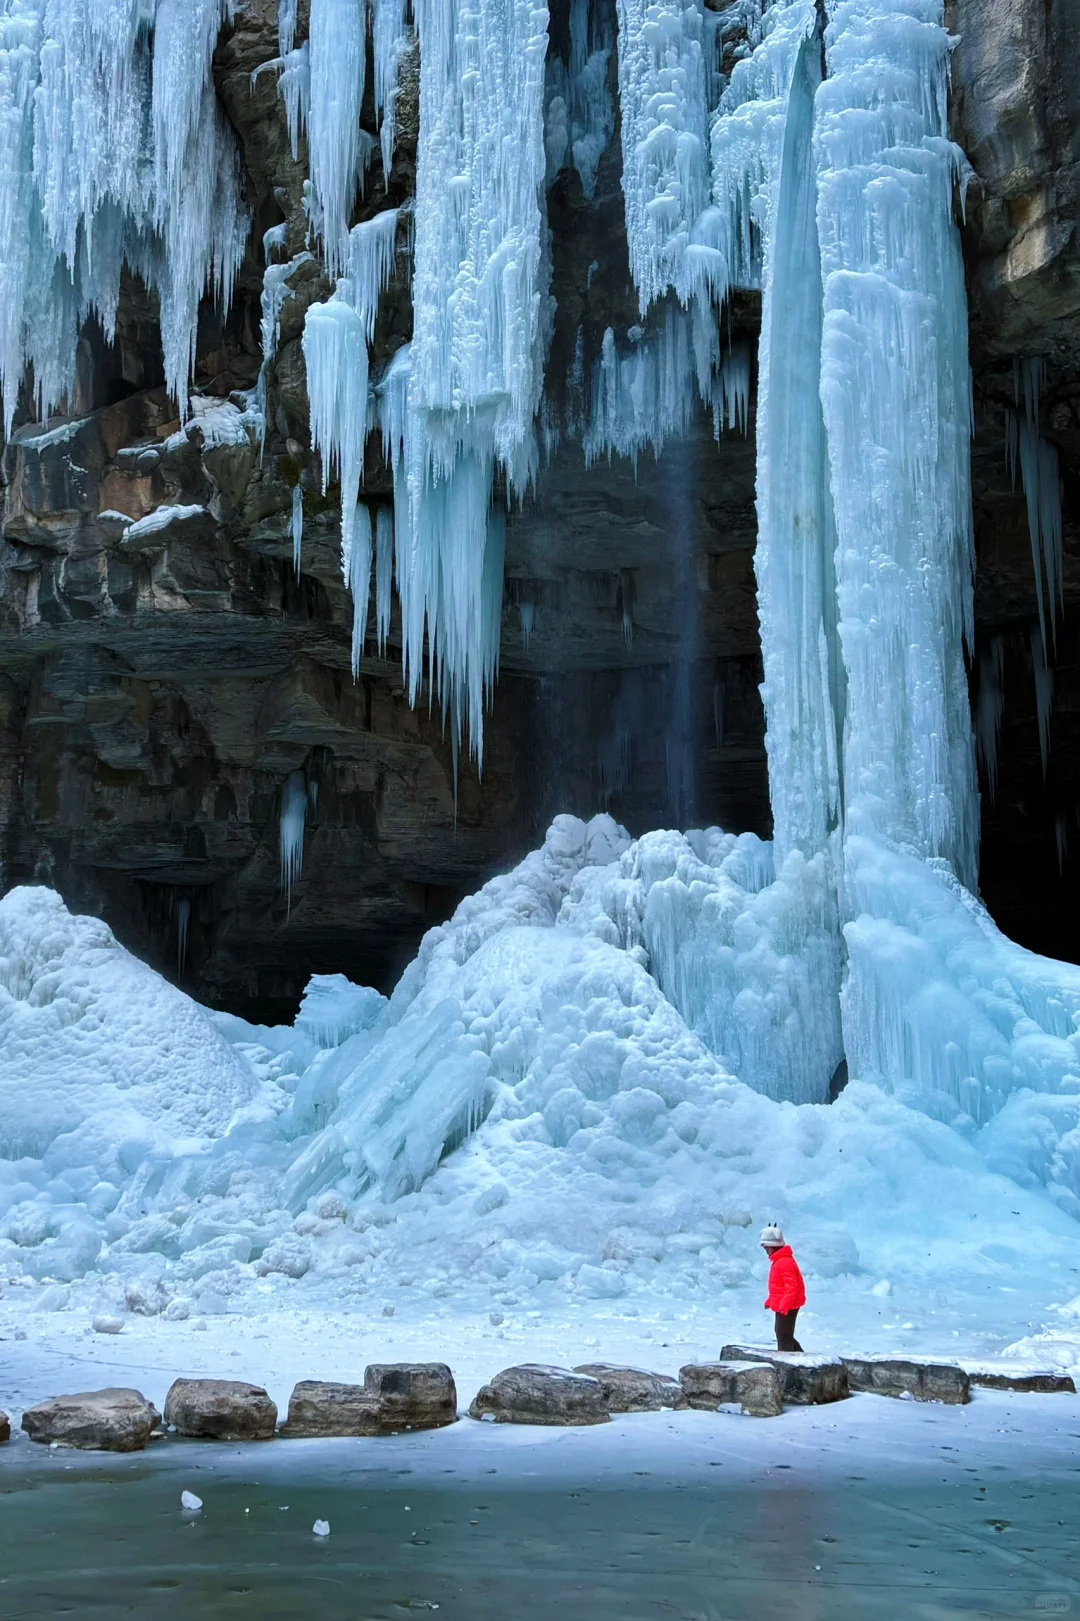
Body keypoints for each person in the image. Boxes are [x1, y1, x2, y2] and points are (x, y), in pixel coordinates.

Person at [761, 1224, 806, 1352]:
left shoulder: (784, 1262)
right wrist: (771, 1300)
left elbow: (792, 1287)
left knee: (783, 1335)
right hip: (784, 1304)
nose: (767, 1252)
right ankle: (801, 1356)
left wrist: (785, 1305)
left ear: (772, 1248)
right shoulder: (780, 1261)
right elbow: (778, 1287)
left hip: (789, 1305)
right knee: (783, 1333)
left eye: (767, 1249)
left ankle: (787, 1361)